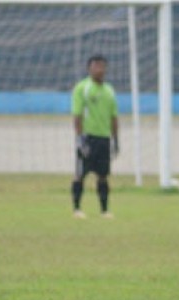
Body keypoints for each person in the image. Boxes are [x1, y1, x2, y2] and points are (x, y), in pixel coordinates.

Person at [70, 54, 119, 219]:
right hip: (87, 138)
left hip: (104, 139)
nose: (99, 69)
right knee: (80, 174)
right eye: (95, 66)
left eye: (102, 66)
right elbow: (77, 115)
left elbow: (114, 117)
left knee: (103, 176)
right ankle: (77, 209)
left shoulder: (109, 91)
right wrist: (79, 138)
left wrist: (116, 139)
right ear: (89, 68)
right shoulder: (82, 88)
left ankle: (104, 210)